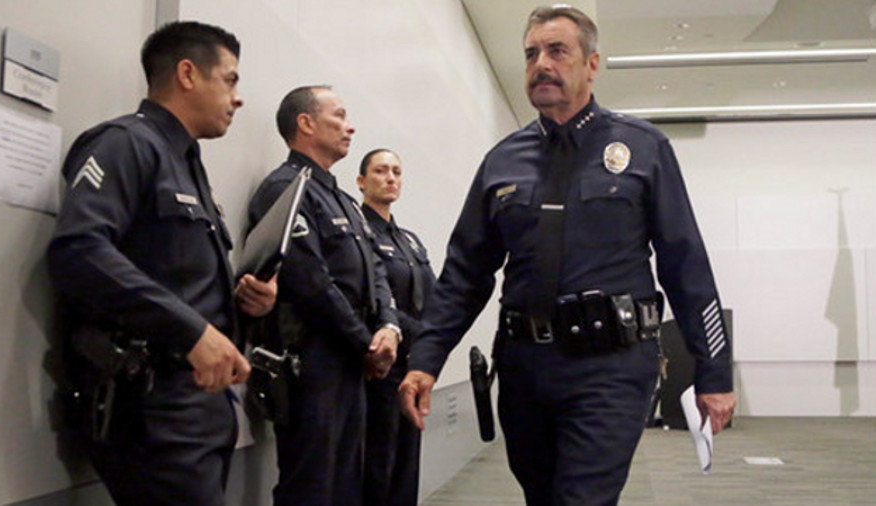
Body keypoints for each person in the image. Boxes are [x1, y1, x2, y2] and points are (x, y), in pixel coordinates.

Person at [399, 5, 736, 506]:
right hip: (524, 370)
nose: (541, 64)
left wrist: (714, 371)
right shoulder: (502, 161)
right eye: (532, 53)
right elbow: (465, 273)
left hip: (611, 366)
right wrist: (426, 358)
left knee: (582, 499)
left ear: (592, 64)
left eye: (557, 51)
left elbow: (685, 265)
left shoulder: (643, 149)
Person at [46, 21, 277, 505]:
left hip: (199, 407)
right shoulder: (125, 143)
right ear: (188, 74)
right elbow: (80, 251)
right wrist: (190, 330)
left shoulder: (186, 163)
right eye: (231, 80)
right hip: (152, 407)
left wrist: (242, 301)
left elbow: (176, 275)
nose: (238, 98)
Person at [246, 86, 401, 505]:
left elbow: (376, 270)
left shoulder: (345, 201)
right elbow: (310, 282)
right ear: (306, 123)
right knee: (311, 486)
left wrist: (388, 325)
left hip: (351, 362)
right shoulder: (284, 188)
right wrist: (365, 343)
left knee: (347, 485)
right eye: (339, 116)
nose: (350, 126)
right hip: (311, 363)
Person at [356, 149, 436, 506]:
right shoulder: (359, 234)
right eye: (381, 171)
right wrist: (423, 335)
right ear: (361, 181)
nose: (390, 177)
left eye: (397, 172)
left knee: (407, 462)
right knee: (378, 463)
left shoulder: (410, 240)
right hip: (380, 368)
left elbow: (436, 298)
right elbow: (372, 300)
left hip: (413, 367)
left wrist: (434, 342)